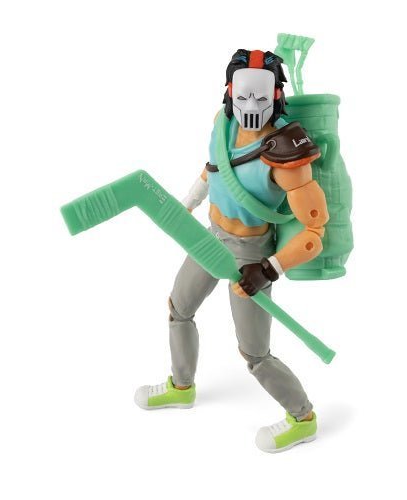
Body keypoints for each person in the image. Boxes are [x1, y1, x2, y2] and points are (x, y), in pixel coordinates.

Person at [134, 49, 329, 453]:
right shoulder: (222, 124)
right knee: (178, 309)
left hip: (252, 254)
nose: (251, 106)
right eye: (243, 96)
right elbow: (213, 167)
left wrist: (268, 268)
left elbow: (314, 232)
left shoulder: (288, 152)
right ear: (229, 91)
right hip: (211, 237)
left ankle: (303, 417)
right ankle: (182, 386)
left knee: (255, 353)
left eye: (261, 97)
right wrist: (188, 201)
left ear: (276, 95)